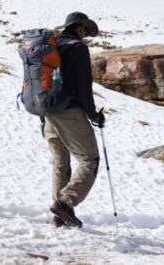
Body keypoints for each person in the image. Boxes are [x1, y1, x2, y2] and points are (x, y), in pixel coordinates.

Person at [44, 12, 106, 228]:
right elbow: (83, 88)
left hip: (48, 111)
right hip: (69, 112)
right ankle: (65, 204)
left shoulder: (50, 45)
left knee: (61, 162)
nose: (86, 35)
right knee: (90, 160)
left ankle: (58, 215)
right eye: (86, 31)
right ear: (79, 28)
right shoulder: (78, 49)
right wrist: (94, 115)